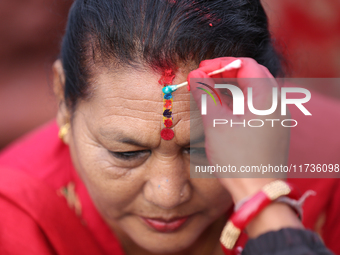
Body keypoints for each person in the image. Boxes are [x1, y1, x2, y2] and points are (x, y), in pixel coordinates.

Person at [0, 0, 339, 254]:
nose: (168, 195)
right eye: (127, 153)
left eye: (205, 149)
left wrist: (262, 201)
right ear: (63, 97)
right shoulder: (18, 215)